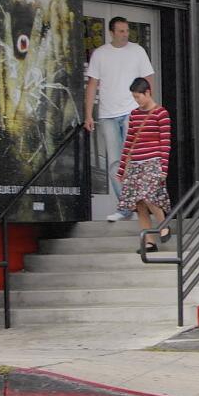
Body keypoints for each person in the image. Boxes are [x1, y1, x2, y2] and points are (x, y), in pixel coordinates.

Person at [84, 16, 155, 222]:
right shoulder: (100, 54)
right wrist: (89, 114)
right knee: (115, 163)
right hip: (107, 114)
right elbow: (92, 85)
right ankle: (125, 206)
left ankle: (142, 203)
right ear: (112, 32)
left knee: (132, 159)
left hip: (132, 112)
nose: (126, 34)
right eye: (121, 31)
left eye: (127, 30)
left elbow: (148, 79)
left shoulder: (137, 51)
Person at [116, 78, 172, 253]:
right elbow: (129, 142)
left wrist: (163, 167)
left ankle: (164, 225)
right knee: (139, 202)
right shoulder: (134, 114)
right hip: (135, 163)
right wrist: (122, 168)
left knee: (149, 196)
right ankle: (149, 241)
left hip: (152, 162)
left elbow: (165, 142)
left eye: (138, 96)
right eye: (134, 97)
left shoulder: (161, 114)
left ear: (147, 93)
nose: (137, 100)